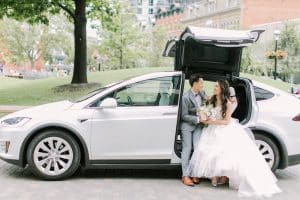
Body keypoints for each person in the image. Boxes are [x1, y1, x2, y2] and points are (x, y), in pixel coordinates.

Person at [188, 80, 281, 198]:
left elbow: (226, 121)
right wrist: (203, 115)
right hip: (211, 129)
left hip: (222, 128)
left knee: (221, 153)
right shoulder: (211, 99)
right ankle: (215, 176)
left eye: (216, 86)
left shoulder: (227, 103)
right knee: (205, 150)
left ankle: (222, 176)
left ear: (222, 88)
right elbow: (204, 110)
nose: (214, 87)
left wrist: (212, 121)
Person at [180, 74, 207, 186]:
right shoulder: (185, 97)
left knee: (198, 147)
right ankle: (185, 175)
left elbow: (207, 106)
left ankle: (196, 173)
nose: (203, 84)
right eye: (201, 82)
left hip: (199, 126)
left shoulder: (203, 93)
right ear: (195, 84)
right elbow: (184, 116)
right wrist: (197, 118)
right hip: (187, 125)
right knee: (187, 148)